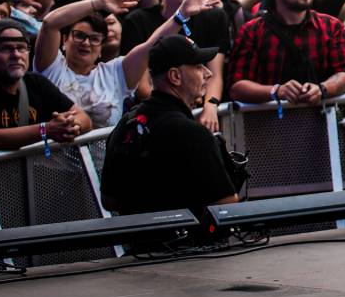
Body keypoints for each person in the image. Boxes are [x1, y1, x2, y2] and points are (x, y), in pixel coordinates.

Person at [100, 36, 244, 214]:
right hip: (188, 240)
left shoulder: (126, 124)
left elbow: (109, 200)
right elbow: (227, 203)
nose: (209, 73)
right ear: (175, 76)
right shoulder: (194, 134)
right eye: (198, 67)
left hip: (137, 239)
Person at [226, 0, 345, 106]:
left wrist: (322, 89)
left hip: (323, 123)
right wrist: (276, 91)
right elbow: (236, 86)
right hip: (268, 126)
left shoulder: (331, 27)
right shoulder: (252, 31)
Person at [0, 20, 92, 150]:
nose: (16, 55)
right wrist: (45, 130)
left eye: (21, 48)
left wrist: (70, 126)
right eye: (6, 49)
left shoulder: (36, 82)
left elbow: (84, 118)